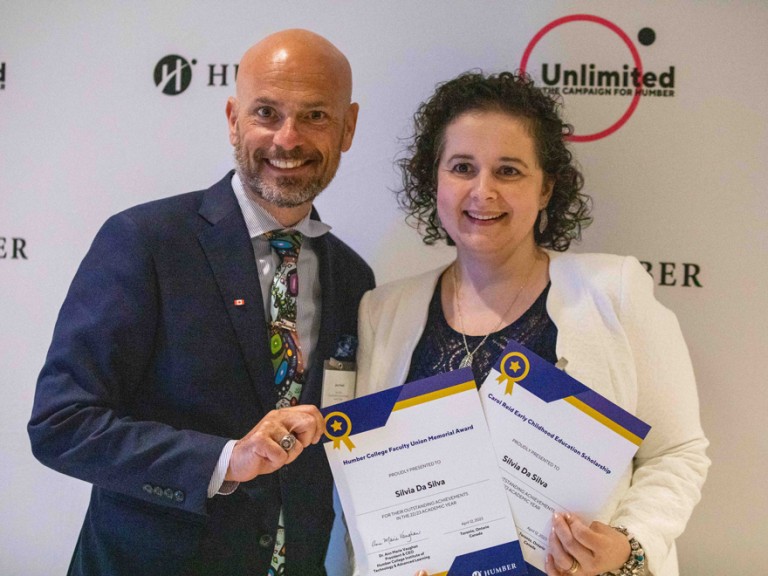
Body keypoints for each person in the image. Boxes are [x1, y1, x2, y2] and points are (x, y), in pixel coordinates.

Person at [28, 29, 374, 576]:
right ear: (234, 118)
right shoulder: (146, 242)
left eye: (315, 116)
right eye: (267, 112)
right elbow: (61, 424)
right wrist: (223, 461)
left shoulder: (354, 276)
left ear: (348, 127)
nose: (289, 139)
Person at [355, 71, 709, 576]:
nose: (483, 191)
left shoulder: (615, 291)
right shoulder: (383, 311)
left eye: (509, 171)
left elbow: (677, 452)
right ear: (433, 179)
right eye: (462, 167)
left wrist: (627, 546)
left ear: (545, 188)